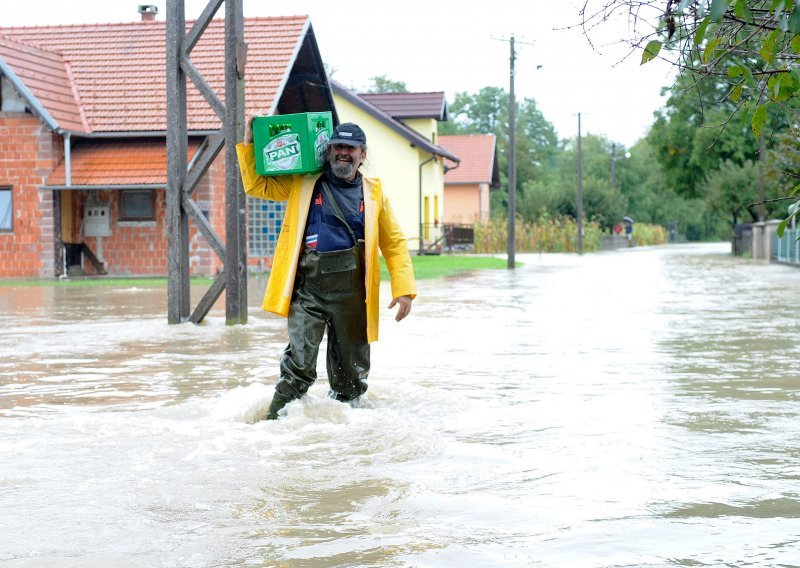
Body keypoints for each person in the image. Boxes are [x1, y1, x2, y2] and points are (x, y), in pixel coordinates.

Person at [236, 119, 416, 420]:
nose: (342, 153)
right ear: (328, 151)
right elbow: (257, 184)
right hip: (308, 293)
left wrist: (405, 290)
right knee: (299, 366)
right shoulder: (304, 182)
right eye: (337, 147)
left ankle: (344, 436)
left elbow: (394, 243)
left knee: (352, 379)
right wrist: (249, 143)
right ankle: (273, 427)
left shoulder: (374, 195)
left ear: (362, 154)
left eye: (350, 148)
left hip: (354, 298)